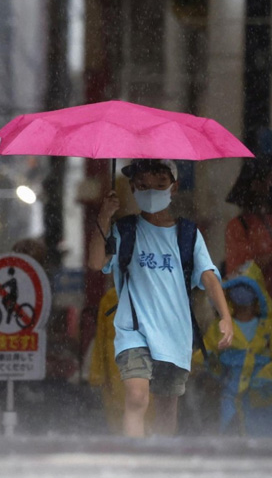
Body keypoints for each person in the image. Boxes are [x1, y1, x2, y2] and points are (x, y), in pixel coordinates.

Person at [88, 159, 233, 437]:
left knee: (167, 407)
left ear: (173, 188)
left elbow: (209, 277)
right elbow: (96, 262)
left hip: (173, 333)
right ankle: (136, 462)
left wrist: (225, 317)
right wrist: (105, 216)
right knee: (137, 397)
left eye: (159, 185)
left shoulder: (188, 234)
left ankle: (162, 462)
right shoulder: (124, 230)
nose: (151, 191)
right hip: (134, 332)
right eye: (143, 186)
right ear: (132, 188)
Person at [197, 262, 272, 435]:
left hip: (262, 400)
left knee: (262, 441)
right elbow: (204, 354)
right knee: (231, 441)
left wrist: (264, 379)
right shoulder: (220, 327)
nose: (241, 298)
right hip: (230, 399)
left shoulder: (267, 327)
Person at [224, 154, 272, 282]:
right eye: (268, 181)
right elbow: (240, 269)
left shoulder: (268, 220)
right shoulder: (238, 226)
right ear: (255, 185)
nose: (269, 187)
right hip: (257, 300)